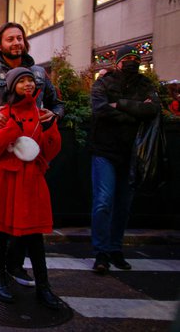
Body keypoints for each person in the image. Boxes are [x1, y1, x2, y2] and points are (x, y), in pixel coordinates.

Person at [0, 22, 64, 286]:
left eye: (20, 38)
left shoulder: (40, 74)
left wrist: (54, 114)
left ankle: (15, 264)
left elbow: (57, 104)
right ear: (0, 45)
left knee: (25, 211)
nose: (16, 43)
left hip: (31, 156)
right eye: (10, 39)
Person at [0, 68, 64, 310]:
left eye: (31, 81)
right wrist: (10, 131)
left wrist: (51, 128)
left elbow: (51, 150)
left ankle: (44, 286)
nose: (28, 85)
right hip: (5, 179)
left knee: (34, 236)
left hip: (31, 179)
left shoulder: (42, 114)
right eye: (22, 81)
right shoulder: (2, 113)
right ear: (12, 86)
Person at [89, 45, 160, 274]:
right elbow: (99, 109)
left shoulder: (146, 85)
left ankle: (114, 249)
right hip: (105, 150)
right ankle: (101, 251)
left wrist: (119, 104)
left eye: (135, 58)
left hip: (133, 153)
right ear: (117, 62)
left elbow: (153, 110)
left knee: (123, 205)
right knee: (103, 201)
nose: (131, 61)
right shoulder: (104, 83)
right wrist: (135, 113)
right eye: (127, 58)